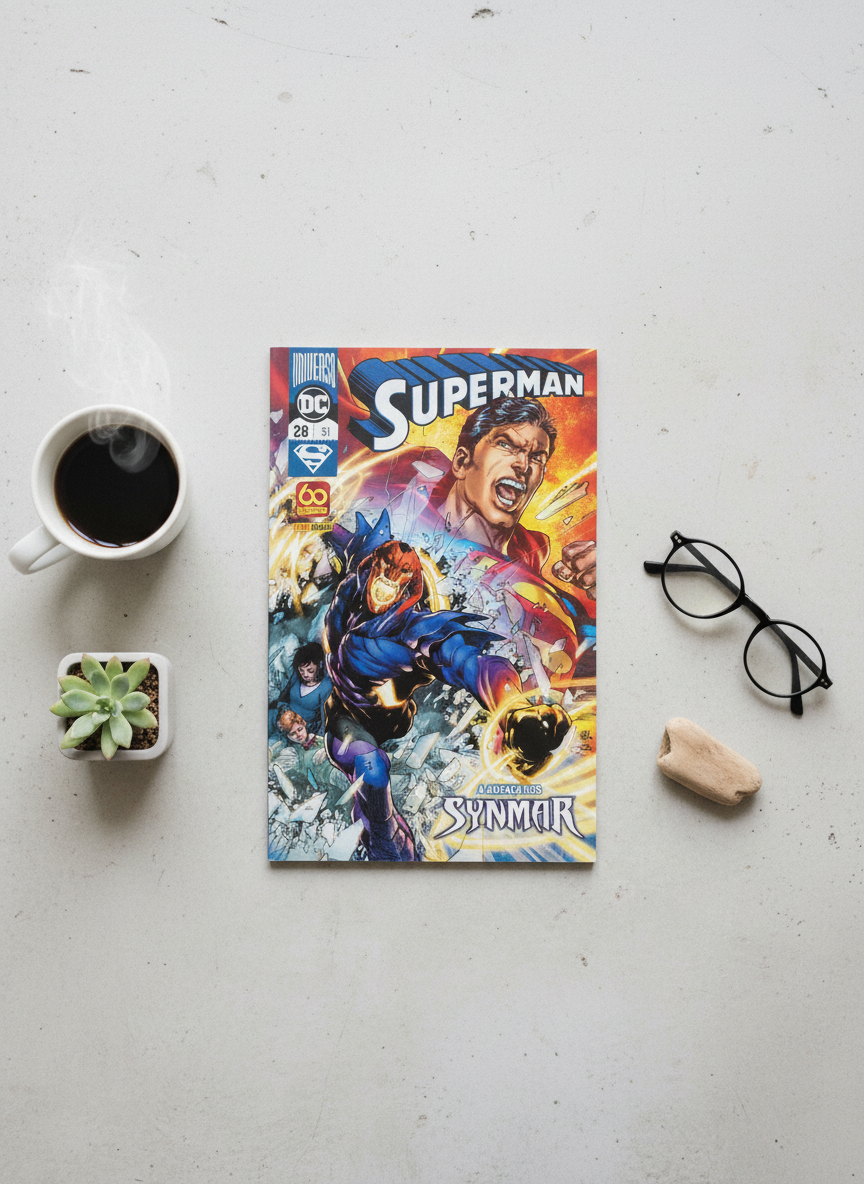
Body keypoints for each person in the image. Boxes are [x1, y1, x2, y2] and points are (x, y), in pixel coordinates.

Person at [271, 641, 332, 736]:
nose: (305, 674)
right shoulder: (297, 676)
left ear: (320, 665)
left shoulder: (326, 685)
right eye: (301, 670)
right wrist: (282, 710)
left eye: (310, 670)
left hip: (304, 729)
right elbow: (283, 696)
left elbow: (325, 718)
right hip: (284, 716)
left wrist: (319, 737)